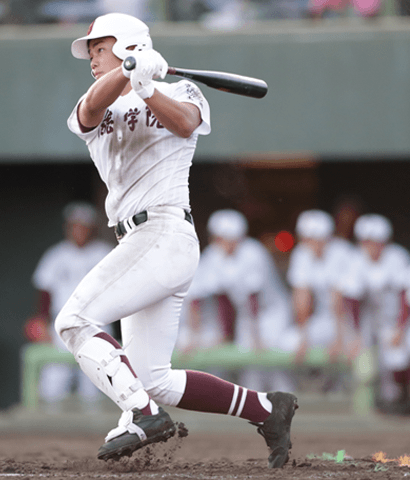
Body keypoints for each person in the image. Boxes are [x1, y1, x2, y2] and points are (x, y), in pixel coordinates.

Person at [56, 12, 298, 468]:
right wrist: (129, 71)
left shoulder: (181, 91)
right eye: (89, 51)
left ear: (127, 45)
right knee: (152, 377)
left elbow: (186, 124)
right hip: (137, 243)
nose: (91, 57)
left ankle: (143, 414)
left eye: (99, 48)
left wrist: (148, 86)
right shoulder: (95, 101)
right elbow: (90, 110)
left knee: (73, 321)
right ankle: (267, 409)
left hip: (165, 233)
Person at [179, 209, 297, 393]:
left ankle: (290, 404)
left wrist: (257, 338)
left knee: (273, 366)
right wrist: (220, 335)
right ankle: (256, 413)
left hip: (272, 313)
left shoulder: (253, 253)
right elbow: (204, 298)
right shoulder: (213, 255)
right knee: (248, 369)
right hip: (246, 315)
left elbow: (253, 299)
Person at [27, 202, 114, 411]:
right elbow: (45, 293)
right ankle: (50, 432)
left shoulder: (104, 252)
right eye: (75, 226)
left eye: (83, 226)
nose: (79, 230)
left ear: (91, 228)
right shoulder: (56, 255)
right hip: (62, 323)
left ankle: (97, 430)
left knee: (96, 383)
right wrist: (42, 322)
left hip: (97, 323)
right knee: (54, 381)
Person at [336, 214, 410, 413]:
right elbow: (350, 300)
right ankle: (378, 404)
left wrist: (400, 330)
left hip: (400, 317)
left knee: (398, 356)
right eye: (366, 241)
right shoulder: (356, 259)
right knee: (363, 358)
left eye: (375, 242)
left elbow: (406, 297)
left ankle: (401, 401)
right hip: (371, 317)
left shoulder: (398, 257)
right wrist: (356, 334)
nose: (370, 246)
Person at [286, 209, 355, 390]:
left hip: (352, 320)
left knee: (350, 355)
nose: (307, 242)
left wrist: (338, 339)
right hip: (326, 318)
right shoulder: (301, 253)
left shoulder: (342, 252)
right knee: (289, 342)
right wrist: (303, 337)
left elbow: (340, 300)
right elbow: (301, 297)